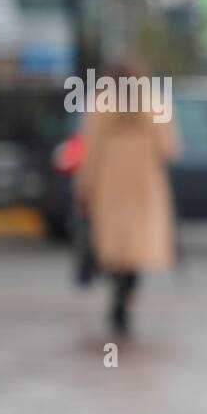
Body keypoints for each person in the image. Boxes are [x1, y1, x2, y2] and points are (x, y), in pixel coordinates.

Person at [73, 60, 180, 336]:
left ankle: (118, 292)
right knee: (137, 246)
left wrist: (84, 186)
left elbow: (90, 150)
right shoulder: (153, 102)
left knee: (115, 245)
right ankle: (126, 296)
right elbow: (169, 149)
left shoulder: (100, 104)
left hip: (110, 183)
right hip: (145, 183)